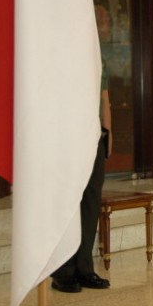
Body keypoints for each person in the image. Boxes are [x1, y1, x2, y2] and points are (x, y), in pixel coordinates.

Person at [51, 59, 112, 293]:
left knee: (90, 202)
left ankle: (84, 268)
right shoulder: (61, 55)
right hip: (66, 138)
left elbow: (104, 98)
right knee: (68, 203)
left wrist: (107, 132)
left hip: (93, 136)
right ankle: (63, 271)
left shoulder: (97, 58)